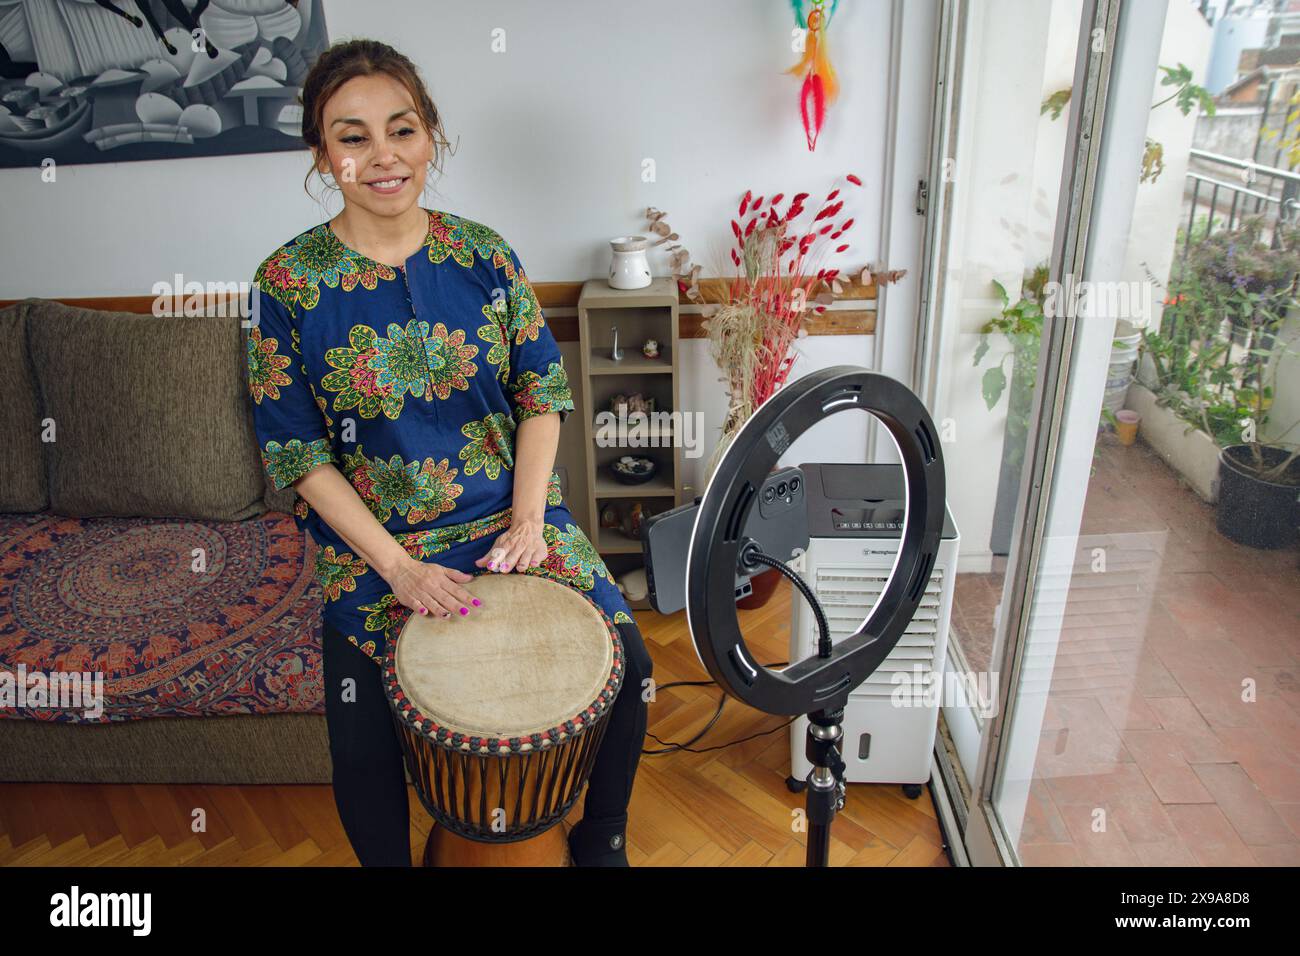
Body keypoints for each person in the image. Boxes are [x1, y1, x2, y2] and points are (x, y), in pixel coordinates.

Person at [244, 38, 652, 866]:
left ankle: (602, 837)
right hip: (374, 549)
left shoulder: (484, 254)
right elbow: (297, 456)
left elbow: (544, 395)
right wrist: (396, 569)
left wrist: (532, 519)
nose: (383, 156)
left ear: (431, 134)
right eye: (353, 136)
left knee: (632, 664)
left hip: (508, 519)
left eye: (402, 129)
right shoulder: (286, 284)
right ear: (324, 157)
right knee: (359, 739)